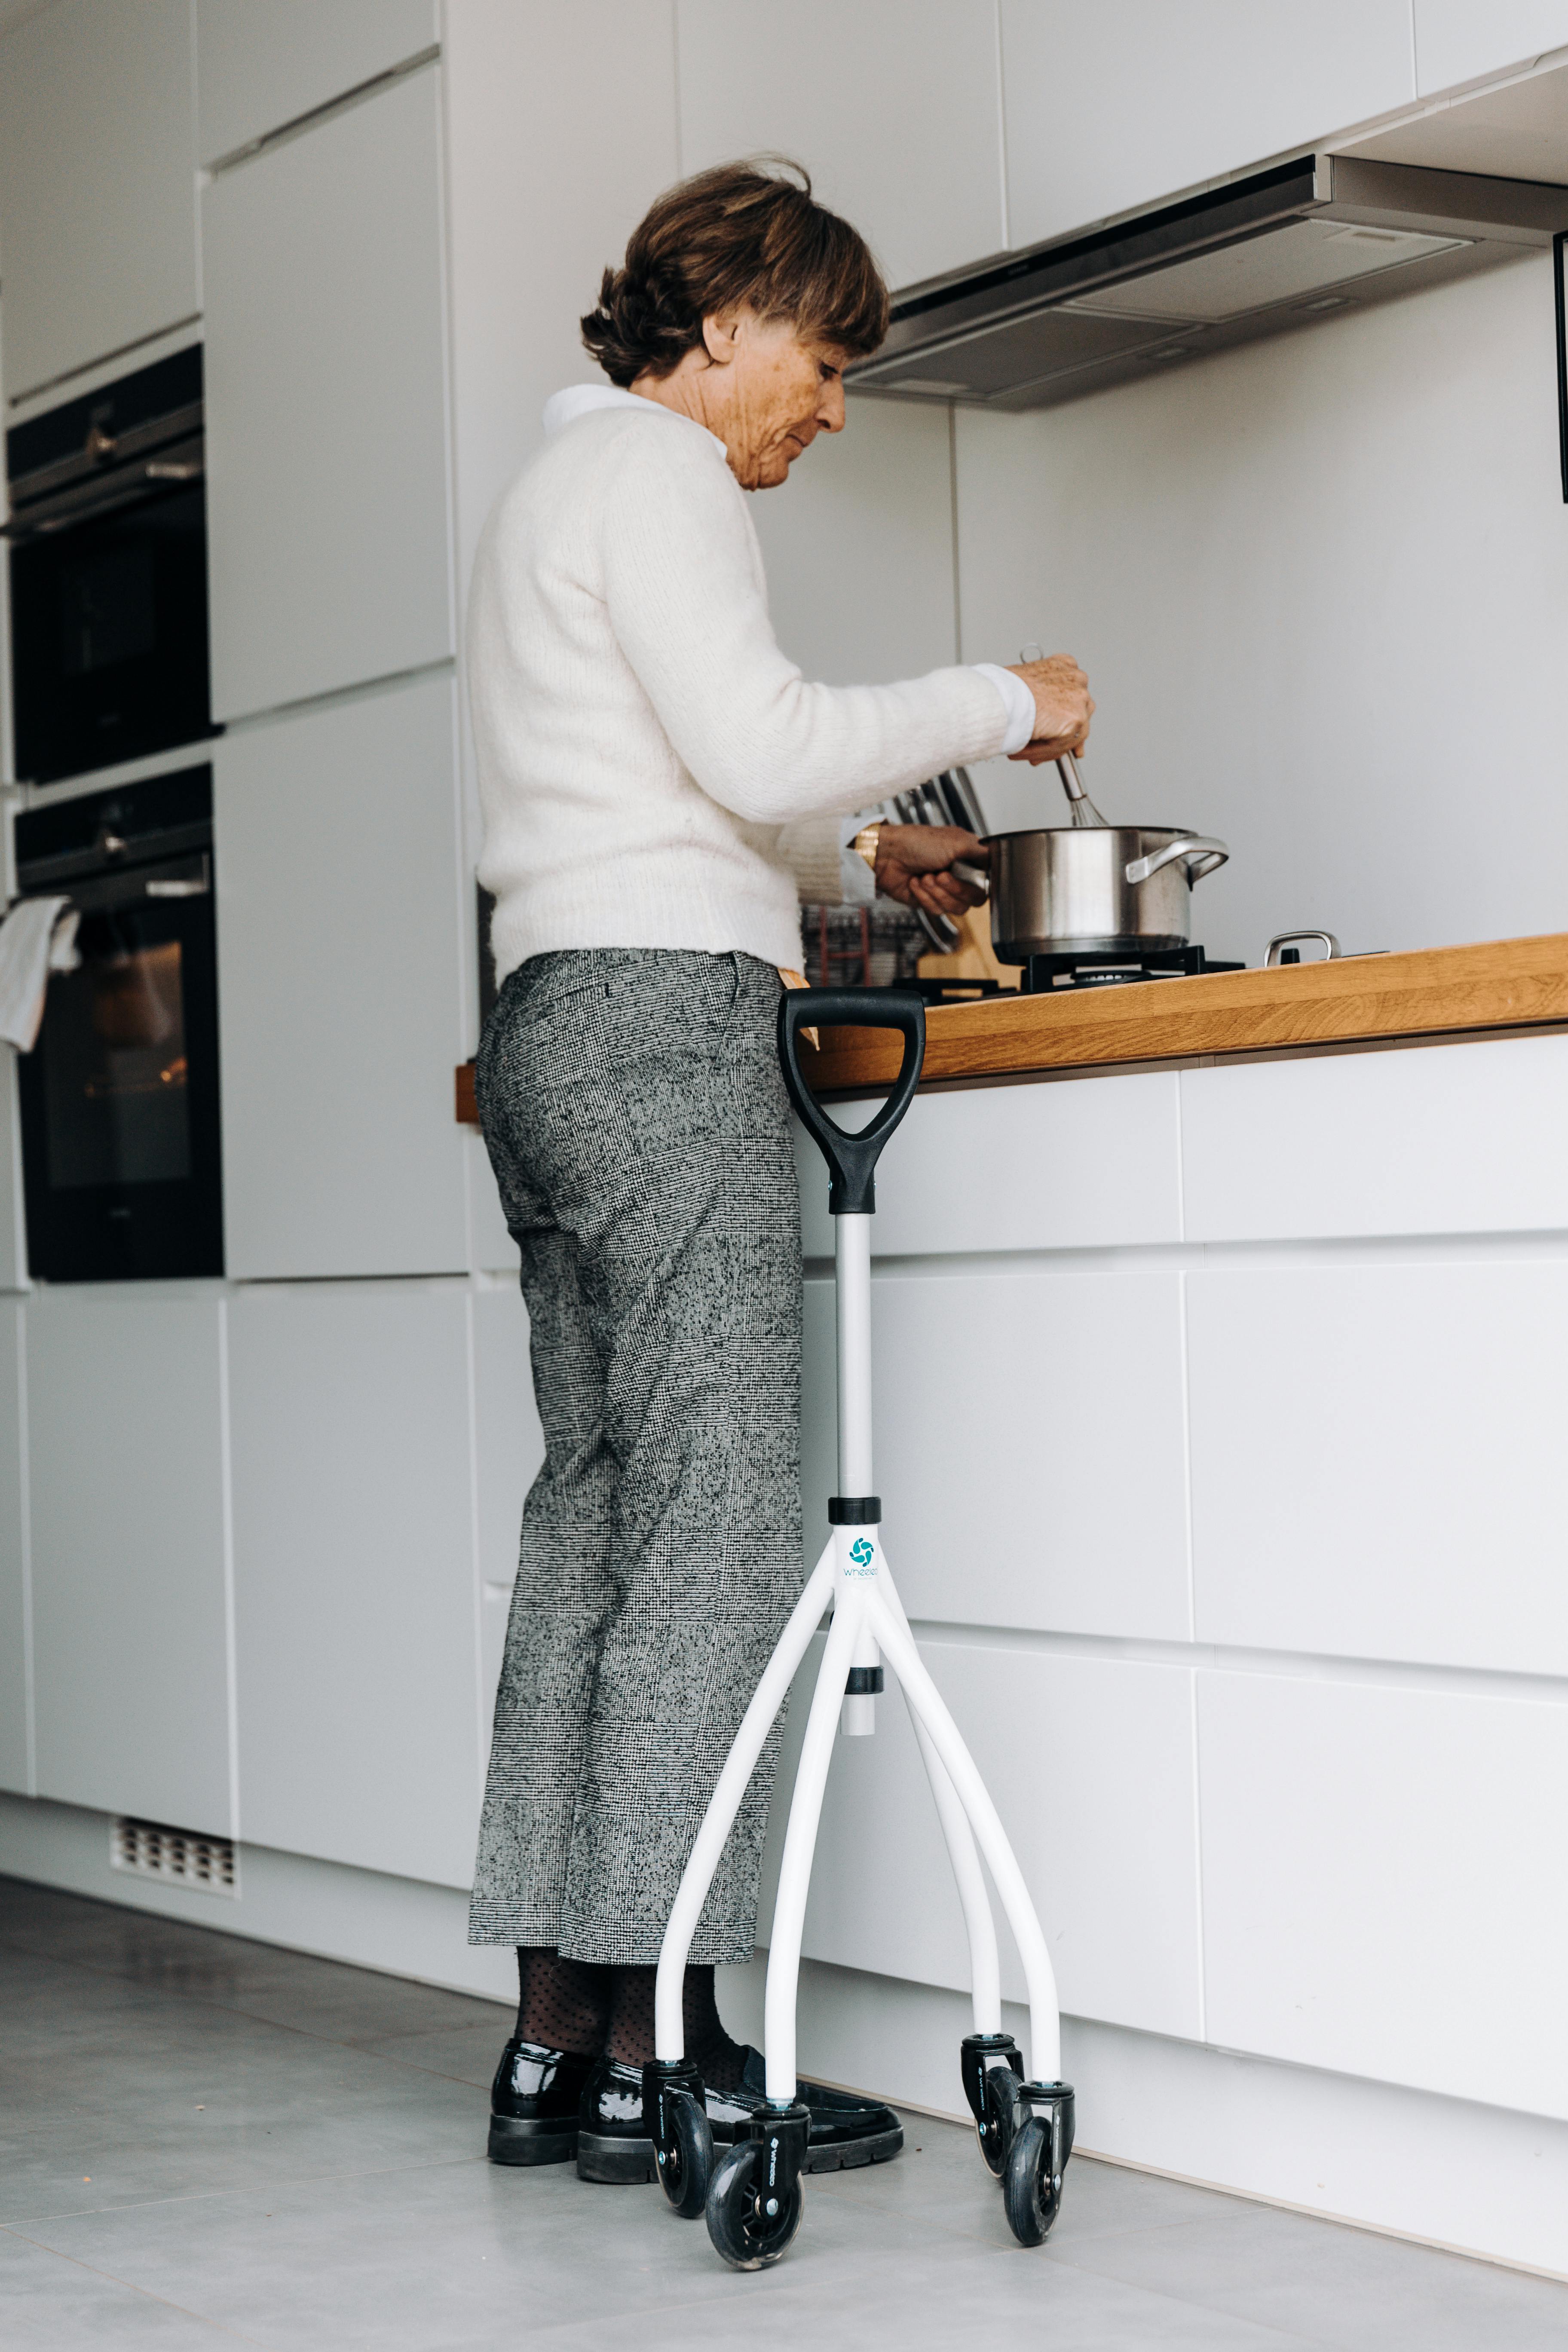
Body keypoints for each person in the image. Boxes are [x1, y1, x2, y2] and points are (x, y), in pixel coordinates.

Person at [465, 158, 1093, 2185]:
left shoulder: (556, 488)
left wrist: (850, 862)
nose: (828, 408)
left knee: (600, 1523)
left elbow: (646, 787)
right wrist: (1014, 696)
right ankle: (685, 2052)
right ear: (722, 319)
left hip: (558, 1022)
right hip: (665, 1036)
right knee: (723, 1530)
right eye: (824, 362)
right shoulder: (655, 475)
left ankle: (563, 2046)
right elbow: (754, 738)